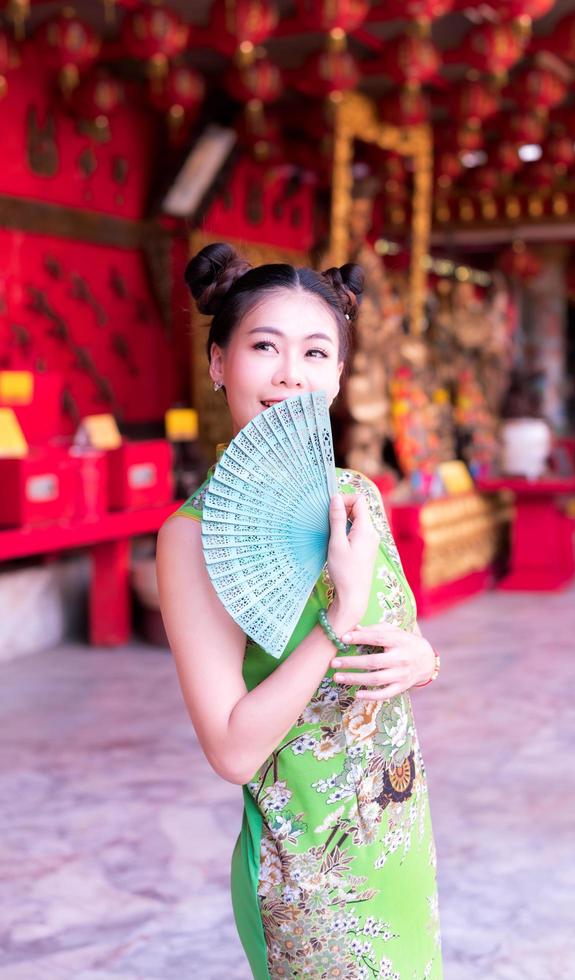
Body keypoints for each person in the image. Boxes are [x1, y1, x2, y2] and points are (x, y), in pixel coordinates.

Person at [156, 242, 443, 980]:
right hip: (304, 869)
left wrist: (424, 658)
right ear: (219, 362)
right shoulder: (190, 539)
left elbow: (399, 646)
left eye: (317, 353)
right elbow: (231, 752)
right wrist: (335, 619)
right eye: (263, 347)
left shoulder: (360, 498)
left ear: (340, 376)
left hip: (396, 838)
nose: (291, 373)